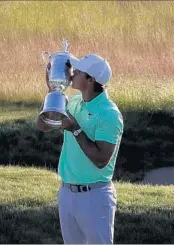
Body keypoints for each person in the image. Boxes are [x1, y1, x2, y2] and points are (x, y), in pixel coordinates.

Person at [36, 53, 124, 244]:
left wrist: (75, 128)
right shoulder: (75, 102)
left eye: (78, 71)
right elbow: (43, 125)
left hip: (95, 198)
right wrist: (53, 90)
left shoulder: (109, 114)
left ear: (90, 79)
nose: (72, 73)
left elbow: (102, 159)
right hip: (67, 194)